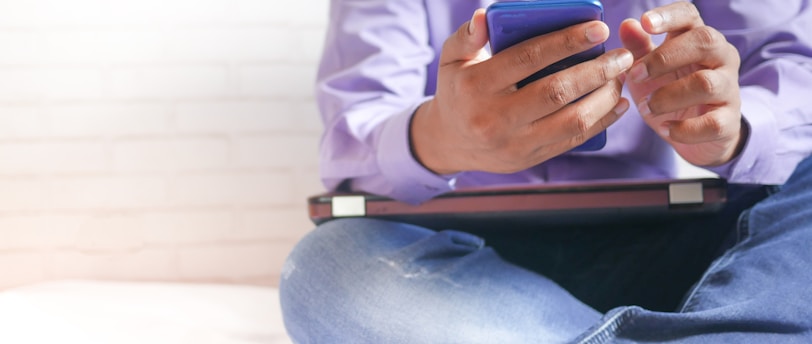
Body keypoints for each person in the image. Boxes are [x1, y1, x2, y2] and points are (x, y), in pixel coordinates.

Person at [281, 0, 812, 342]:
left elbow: (794, 65)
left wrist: (736, 127)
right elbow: (357, 127)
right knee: (329, 267)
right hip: (460, 249)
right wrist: (444, 136)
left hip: (687, 235)